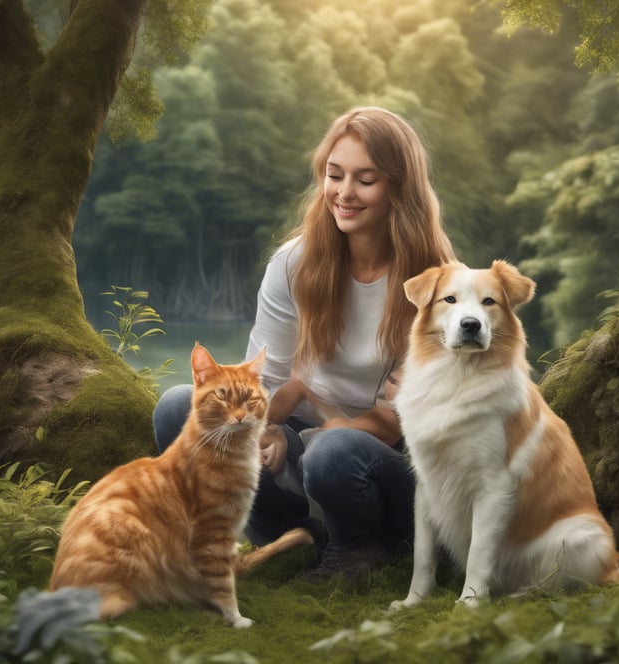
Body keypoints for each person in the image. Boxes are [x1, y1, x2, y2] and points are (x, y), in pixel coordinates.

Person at [153, 106, 456, 582]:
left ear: (399, 185)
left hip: (385, 463)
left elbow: (399, 418)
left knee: (334, 451)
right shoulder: (294, 263)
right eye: (334, 175)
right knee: (178, 409)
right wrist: (265, 428)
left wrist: (327, 434)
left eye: (365, 179)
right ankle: (292, 539)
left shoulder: (436, 284)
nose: (344, 193)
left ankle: (362, 547)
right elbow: (266, 383)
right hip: (308, 439)